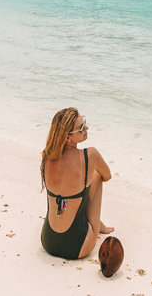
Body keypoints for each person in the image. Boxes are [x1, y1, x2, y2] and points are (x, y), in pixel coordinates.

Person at [40, 107, 113, 259]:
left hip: (48, 241)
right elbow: (107, 176)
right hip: (77, 247)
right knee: (96, 176)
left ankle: (97, 223)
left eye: (84, 122)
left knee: (73, 193)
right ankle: (97, 226)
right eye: (81, 128)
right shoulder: (89, 155)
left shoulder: (47, 156)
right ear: (68, 138)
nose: (86, 128)